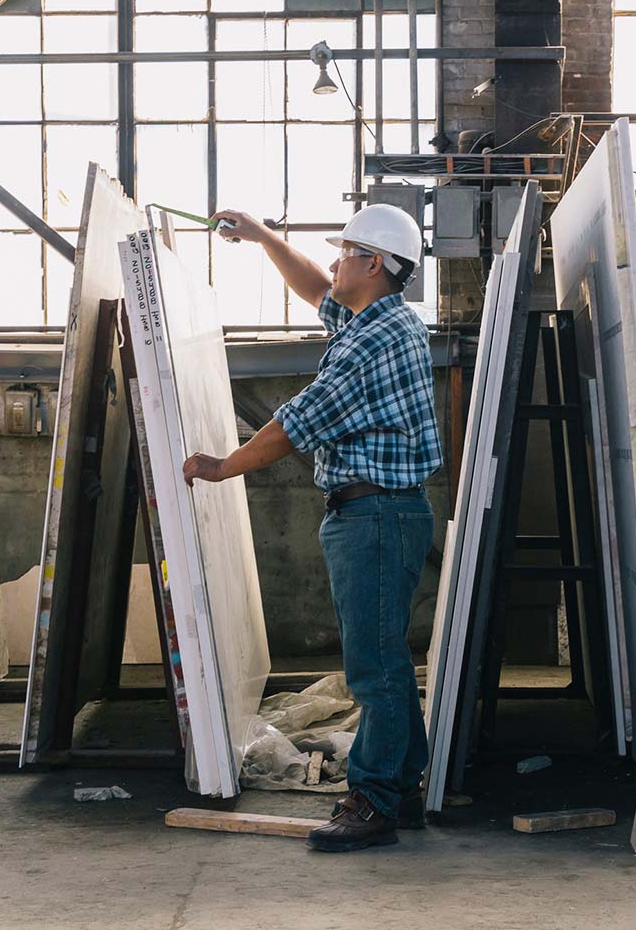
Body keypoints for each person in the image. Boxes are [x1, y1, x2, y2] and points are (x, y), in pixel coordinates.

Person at [181, 204, 443, 853]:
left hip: (375, 515)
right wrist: (264, 237)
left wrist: (222, 466)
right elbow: (315, 290)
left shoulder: (373, 339)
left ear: (373, 264)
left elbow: (295, 423)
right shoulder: (378, 319)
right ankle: (399, 789)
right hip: (379, 511)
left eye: (344, 252)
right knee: (385, 662)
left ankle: (374, 801)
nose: (333, 263)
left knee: (374, 668)